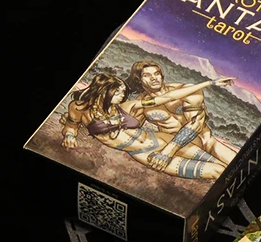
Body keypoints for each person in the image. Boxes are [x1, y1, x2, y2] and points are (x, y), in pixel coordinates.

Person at [60, 73, 233, 180]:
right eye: (117, 92)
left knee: (228, 169)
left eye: (123, 92)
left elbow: (169, 97)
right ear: (103, 91)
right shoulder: (79, 108)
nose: (121, 96)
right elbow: (71, 125)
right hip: (145, 153)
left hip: (163, 140)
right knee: (217, 171)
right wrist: (69, 135)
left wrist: (209, 83)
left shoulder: (127, 106)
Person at [125, 61, 237, 172]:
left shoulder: (188, 90)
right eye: (147, 75)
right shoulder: (141, 104)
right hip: (180, 149)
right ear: (138, 79)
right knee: (220, 171)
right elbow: (132, 128)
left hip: (206, 143)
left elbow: (196, 123)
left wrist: (168, 151)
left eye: (157, 73)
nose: (154, 78)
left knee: (237, 165)